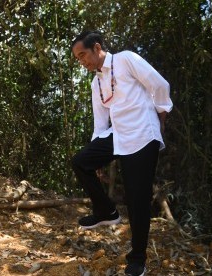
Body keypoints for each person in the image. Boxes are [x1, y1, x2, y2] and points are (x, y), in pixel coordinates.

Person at [70, 30, 173, 276]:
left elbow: (160, 85)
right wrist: (97, 156)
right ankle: (106, 211)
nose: (81, 61)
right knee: (81, 161)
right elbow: (100, 124)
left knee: (138, 200)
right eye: (77, 58)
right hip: (118, 136)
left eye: (83, 55)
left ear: (96, 48)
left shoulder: (126, 59)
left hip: (142, 134)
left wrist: (160, 117)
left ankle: (137, 260)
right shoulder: (97, 83)